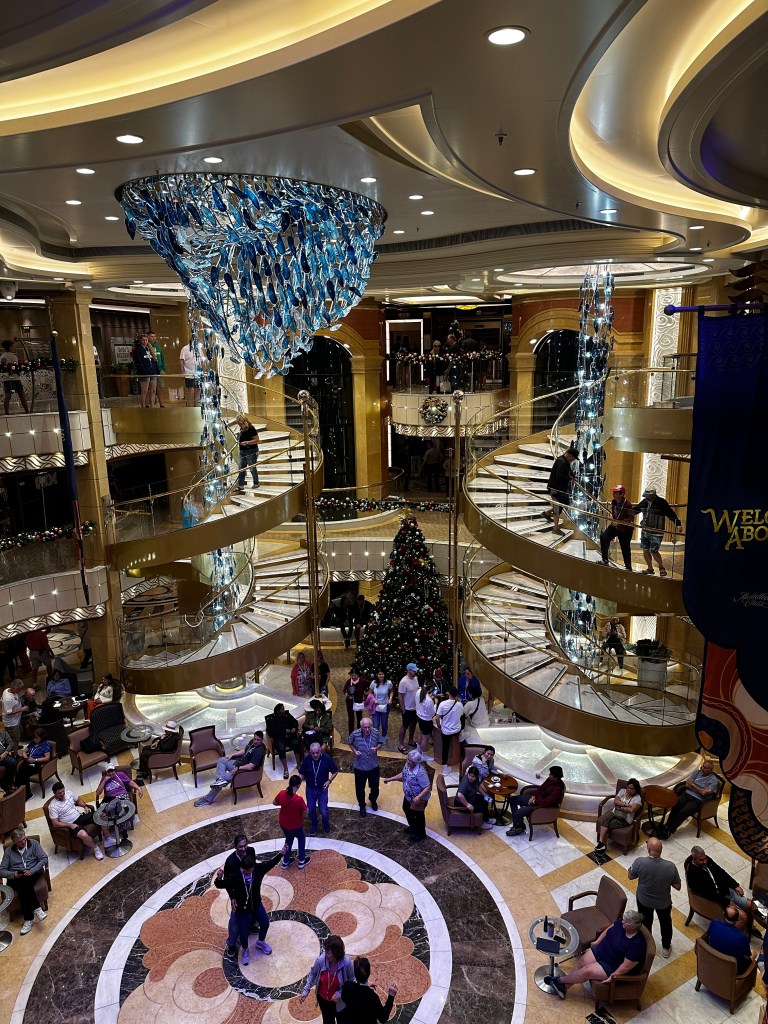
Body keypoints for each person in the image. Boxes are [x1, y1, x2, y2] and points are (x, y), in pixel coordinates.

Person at [545, 910, 646, 1000]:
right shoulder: (621, 923)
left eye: (625, 922)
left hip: (610, 965)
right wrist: (597, 942)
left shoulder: (637, 945)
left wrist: (613, 976)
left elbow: (625, 966)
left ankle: (559, 980)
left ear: (632, 926)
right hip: (601, 950)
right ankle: (564, 987)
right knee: (582, 961)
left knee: (586, 971)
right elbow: (608, 930)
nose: (622, 922)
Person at [215, 849, 283, 963]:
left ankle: (260, 942)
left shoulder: (258, 870)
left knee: (265, 923)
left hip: (256, 904)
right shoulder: (236, 877)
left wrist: (281, 854)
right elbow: (221, 884)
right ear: (242, 868)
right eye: (246, 871)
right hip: (242, 908)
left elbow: (270, 864)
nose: (248, 873)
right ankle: (245, 950)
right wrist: (219, 877)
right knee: (243, 931)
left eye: (250, 870)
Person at [686, 845, 766, 925]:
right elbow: (708, 894)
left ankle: (749, 926)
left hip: (726, 891)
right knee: (743, 917)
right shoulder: (693, 874)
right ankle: (737, 931)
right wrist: (727, 902)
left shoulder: (708, 861)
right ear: (694, 859)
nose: (705, 861)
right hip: (717, 901)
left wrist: (735, 885)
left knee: (752, 905)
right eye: (701, 860)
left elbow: (721, 872)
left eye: (705, 858)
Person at [628, 837, 681, 958]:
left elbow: (630, 876)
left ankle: (648, 946)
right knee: (666, 923)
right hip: (663, 903)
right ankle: (666, 948)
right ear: (661, 850)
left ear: (648, 849)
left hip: (644, 901)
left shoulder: (639, 862)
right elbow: (677, 886)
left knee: (646, 923)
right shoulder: (670, 866)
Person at [194, 731, 266, 806]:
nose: (255, 741)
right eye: (255, 739)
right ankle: (220, 780)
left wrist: (238, 768)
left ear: (262, 740)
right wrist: (232, 755)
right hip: (237, 763)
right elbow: (245, 750)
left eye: (258, 740)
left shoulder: (259, 751)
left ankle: (207, 799)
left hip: (243, 771)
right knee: (221, 760)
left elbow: (250, 767)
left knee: (222, 780)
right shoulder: (252, 742)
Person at [0, 829, 48, 935]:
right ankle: (36, 908)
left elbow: (44, 858)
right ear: (14, 842)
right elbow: (1, 870)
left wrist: (32, 870)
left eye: (24, 839)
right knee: (24, 883)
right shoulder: (9, 852)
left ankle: (29, 919)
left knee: (24, 885)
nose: (23, 842)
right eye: (20, 841)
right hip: (16, 877)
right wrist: (13, 874)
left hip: (32, 873)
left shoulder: (34, 844)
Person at [301, 934, 355, 1023]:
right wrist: (306, 990)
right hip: (323, 1000)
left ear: (336, 953)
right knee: (327, 1021)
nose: (325, 954)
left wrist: (340, 992)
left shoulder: (347, 963)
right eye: (325, 951)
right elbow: (313, 974)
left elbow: (352, 980)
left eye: (328, 952)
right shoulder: (321, 960)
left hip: (340, 1001)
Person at [49, 780, 107, 859]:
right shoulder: (53, 806)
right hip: (71, 824)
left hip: (80, 816)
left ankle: (108, 839)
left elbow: (78, 800)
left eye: (63, 791)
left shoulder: (69, 793)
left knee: (101, 816)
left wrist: (85, 806)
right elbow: (55, 823)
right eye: (59, 793)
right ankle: (96, 848)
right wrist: (70, 825)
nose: (62, 794)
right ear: (54, 793)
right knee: (83, 834)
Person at [384, 748, 432, 840]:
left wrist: (419, 797)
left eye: (411, 761)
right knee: (406, 809)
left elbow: (427, 787)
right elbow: (403, 775)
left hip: (418, 799)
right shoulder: (407, 765)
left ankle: (421, 834)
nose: (408, 762)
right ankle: (413, 828)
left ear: (416, 762)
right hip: (409, 796)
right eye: (408, 759)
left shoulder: (420, 773)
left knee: (418, 815)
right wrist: (390, 779)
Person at [635, 486, 682, 576]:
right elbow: (635, 510)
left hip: (657, 532)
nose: (647, 497)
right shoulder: (645, 501)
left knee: (654, 550)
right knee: (645, 550)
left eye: (648, 495)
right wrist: (625, 516)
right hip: (645, 530)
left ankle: (661, 567)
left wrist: (678, 524)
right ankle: (650, 568)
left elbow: (670, 514)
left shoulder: (661, 502)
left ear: (653, 494)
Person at [506, 765, 565, 836]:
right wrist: (533, 796)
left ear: (555, 777)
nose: (549, 775)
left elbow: (547, 802)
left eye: (551, 774)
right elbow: (541, 788)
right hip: (536, 799)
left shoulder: (558, 788)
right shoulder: (550, 780)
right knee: (513, 800)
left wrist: (534, 801)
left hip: (540, 806)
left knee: (518, 813)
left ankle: (519, 827)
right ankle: (518, 824)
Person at [665, 760, 720, 837]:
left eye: (705, 768)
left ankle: (669, 831)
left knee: (684, 811)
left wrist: (693, 785)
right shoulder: (697, 772)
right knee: (676, 805)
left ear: (710, 770)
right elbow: (688, 784)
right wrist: (700, 789)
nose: (702, 768)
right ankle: (666, 826)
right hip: (687, 794)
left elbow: (703, 793)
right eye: (702, 766)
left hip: (698, 800)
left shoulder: (713, 781)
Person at [338, 956, 397, 1023]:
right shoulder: (372, 997)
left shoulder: (347, 987)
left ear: (354, 973)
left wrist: (366, 989)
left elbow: (353, 995)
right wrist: (391, 996)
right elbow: (383, 1018)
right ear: (369, 973)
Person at [299, 742, 339, 835]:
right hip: (310, 788)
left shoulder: (326, 758)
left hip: (322, 789)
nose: (315, 755)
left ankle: (326, 825)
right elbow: (301, 773)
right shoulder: (307, 759)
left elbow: (335, 771)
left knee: (324, 810)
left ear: (320, 750)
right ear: (310, 752)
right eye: (313, 753)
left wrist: (329, 781)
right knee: (310, 810)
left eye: (317, 752)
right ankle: (314, 824)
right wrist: (297, 783)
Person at [595, 778, 642, 852]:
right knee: (605, 819)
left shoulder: (637, 798)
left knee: (609, 825)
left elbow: (632, 810)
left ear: (636, 789)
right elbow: (615, 801)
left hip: (625, 818)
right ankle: (601, 842)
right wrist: (626, 805)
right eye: (628, 787)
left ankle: (603, 846)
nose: (629, 790)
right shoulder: (622, 791)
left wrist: (620, 804)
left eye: (632, 789)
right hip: (615, 811)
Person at [96, 762, 143, 836]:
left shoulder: (120, 774)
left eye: (112, 770)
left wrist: (139, 788)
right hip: (109, 798)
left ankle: (122, 827)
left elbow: (130, 782)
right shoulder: (104, 778)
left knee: (120, 808)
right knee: (102, 813)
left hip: (121, 795)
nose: (111, 773)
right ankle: (108, 834)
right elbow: (98, 793)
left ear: (115, 770)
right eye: (109, 771)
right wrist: (104, 781)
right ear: (106, 772)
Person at [274, 774, 310, 869]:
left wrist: (282, 804)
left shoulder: (282, 793)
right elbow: (306, 813)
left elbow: (274, 802)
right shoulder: (299, 799)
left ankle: (285, 862)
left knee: (289, 840)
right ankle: (301, 861)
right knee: (301, 839)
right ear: (298, 785)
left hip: (283, 824)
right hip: (296, 825)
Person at [349, 717, 382, 816]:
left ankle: (373, 800)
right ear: (361, 727)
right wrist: (355, 751)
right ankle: (362, 805)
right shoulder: (355, 734)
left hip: (373, 766)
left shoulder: (375, 732)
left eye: (369, 727)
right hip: (360, 767)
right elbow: (350, 742)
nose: (367, 729)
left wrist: (376, 748)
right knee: (360, 788)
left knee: (375, 787)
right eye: (365, 727)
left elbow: (381, 742)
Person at [706, 906, 754, 974]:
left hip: (712, 959)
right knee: (754, 953)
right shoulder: (742, 938)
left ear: (723, 914)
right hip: (732, 969)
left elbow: (708, 936)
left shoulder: (714, 923)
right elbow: (747, 956)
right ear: (737, 919)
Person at [600, 484, 636, 571]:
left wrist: (619, 523)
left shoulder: (627, 504)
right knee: (604, 537)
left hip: (625, 530)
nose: (613, 494)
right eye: (614, 492)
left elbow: (631, 519)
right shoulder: (614, 502)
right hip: (615, 526)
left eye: (616, 493)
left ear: (622, 494)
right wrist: (615, 522)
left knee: (625, 547)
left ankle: (628, 567)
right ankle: (605, 560)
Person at [544, 445, 577, 532]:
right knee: (557, 508)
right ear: (570, 456)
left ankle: (547, 513)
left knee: (563, 504)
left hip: (559, 489)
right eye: (573, 459)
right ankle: (555, 528)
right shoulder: (562, 462)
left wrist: (573, 476)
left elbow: (569, 470)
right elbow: (559, 477)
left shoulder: (564, 461)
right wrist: (570, 478)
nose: (572, 461)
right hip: (555, 489)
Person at [14, 727, 52, 798]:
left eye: (37, 738)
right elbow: (24, 751)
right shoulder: (32, 743)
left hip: (38, 763)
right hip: (28, 761)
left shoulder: (45, 745)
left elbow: (47, 758)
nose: (35, 739)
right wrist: (25, 756)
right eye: (34, 737)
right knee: (20, 771)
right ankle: (19, 790)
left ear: (42, 738)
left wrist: (35, 760)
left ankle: (26, 793)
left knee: (22, 772)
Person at [265, 704, 301, 779]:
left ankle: (299, 764)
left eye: (283, 708)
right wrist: (284, 731)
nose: (284, 710)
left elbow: (295, 721)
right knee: (281, 749)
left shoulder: (287, 714)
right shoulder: (272, 719)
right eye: (282, 709)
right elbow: (270, 731)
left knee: (296, 744)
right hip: (279, 738)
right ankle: (286, 770)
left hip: (290, 737)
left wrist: (294, 727)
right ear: (278, 711)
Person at [434, 685, 464, 776]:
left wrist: (439, 726)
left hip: (446, 731)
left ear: (449, 694)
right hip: (456, 730)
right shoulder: (460, 704)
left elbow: (437, 718)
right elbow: (461, 715)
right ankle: (461, 737)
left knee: (445, 748)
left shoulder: (443, 704)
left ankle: (445, 768)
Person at [454, 764, 494, 828]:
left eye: (473, 777)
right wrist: (467, 805)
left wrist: (485, 795)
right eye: (469, 775)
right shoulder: (465, 783)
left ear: (476, 777)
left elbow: (477, 787)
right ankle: (482, 823)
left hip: (470, 797)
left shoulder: (476, 780)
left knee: (484, 800)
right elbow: (460, 795)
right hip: (461, 803)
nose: (470, 778)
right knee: (482, 808)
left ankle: (486, 818)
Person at [1, 340, 30, 414]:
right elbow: (16, 368)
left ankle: (7, 413)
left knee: (7, 396)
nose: (15, 347)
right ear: (10, 347)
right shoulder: (13, 356)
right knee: (21, 395)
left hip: (6, 379)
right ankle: (27, 411)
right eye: (13, 346)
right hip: (15, 378)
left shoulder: (2, 357)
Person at [397, 663, 420, 754]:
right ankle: (400, 745)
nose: (415, 672)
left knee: (413, 725)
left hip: (415, 708)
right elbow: (400, 696)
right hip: (407, 708)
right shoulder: (403, 682)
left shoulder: (416, 679)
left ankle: (410, 740)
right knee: (404, 726)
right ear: (409, 670)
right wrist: (403, 709)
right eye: (414, 671)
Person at [235, 413, 260, 491]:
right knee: (241, 468)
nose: (240, 425)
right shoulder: (241, 429)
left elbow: (257, 440)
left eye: (241, 423)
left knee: (252, 467)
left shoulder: (251, 428)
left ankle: (256, 483)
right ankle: (241, 485)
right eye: (239, 423)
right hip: (242, 451)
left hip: (251, 451)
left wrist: (247, 442)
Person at [461, 678, 490, 744]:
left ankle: (461, 735)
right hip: (486, 723)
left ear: (471, 694)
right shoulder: (482, 699)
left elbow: (462, 713)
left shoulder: (470, 704)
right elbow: (475, 705)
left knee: (463, 717)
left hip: (477, 725)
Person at [134, 334, 159, 408]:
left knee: (153, 390)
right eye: (143, 340)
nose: (144, 341)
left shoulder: (149, 348)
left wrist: (156, 370)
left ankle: (152, 406)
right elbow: (139, 361)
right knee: (144, 391)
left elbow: (154, 359)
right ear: (140, 340)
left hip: (152, 371)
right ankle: (143, 406)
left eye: (146, 340)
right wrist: (143, 370)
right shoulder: (138, 349)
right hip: (144, 372)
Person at [370, 670, 393, 741]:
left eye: (382, 674)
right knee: (376, 725)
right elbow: (370, 693)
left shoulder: (388, 683)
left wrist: (390, 698)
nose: (381, 676)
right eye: (379, 674)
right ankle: (375, 738)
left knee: (384, 723)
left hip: (385, 706)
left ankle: (383, 737)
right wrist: (374, 699)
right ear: (377, 675)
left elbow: (391, 691)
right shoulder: (373, 683)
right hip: (375, 706)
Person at [343, 670, 368, 734]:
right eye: (352, 675)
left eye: (355, 675)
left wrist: (367, 692)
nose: (353, 677)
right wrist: (347, 695)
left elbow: (371, 684)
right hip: (350, 702)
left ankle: (359, 733)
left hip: (359, 702)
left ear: (358, 675)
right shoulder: (349, 681)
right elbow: (344, 691)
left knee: (359, 717)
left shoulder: (362, 681)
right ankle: (351, 734)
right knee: (351, 718)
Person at [415, 680, 436, 759]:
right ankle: (424, 755)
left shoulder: (418, 691)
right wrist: (435, 704)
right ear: (431, 688)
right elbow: (432, 713)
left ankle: (418, 750)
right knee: (425, 738)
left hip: (419, 717)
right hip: (426, 720)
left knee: (421, 733)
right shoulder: (429, 701)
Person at [1, 679, 23, 749]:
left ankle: (15, 746)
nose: (20, 690)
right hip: (12, 723)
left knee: (17, 737)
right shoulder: (7, 699)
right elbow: (8, 712)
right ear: (13, 688)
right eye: (19, 689)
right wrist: (21, 709)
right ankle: (14, 751)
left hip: (16, 720)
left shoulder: (7, 690)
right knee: (15, 739)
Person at [179, 340, 202, 406]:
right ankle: (190, 406)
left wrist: (202, 369)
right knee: (191, 390)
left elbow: (202, 359)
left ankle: (196, 406)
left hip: (197, 373)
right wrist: (182, 371)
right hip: (188, 372)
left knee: (197, 389)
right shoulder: (185, 349)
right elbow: (181, 360)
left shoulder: (198, 349)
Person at [148, 332, 166, 406]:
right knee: (151, 389)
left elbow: (162, 358)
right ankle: (149, 405)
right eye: (151, 336)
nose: (153, 338)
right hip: (151, 370)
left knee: (160, 388)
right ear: (148, 337)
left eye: (154, 336)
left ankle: (162, 404)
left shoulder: (158, 347)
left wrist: (163, 368)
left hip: (160, 370)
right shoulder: (147, 347)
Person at [0, 725, 17, 792]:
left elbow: (11, 743)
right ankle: (4, 786)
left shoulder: (3, 733)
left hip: (4, 754)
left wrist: (6, 752)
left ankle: (9, 782)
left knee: (12, 762)